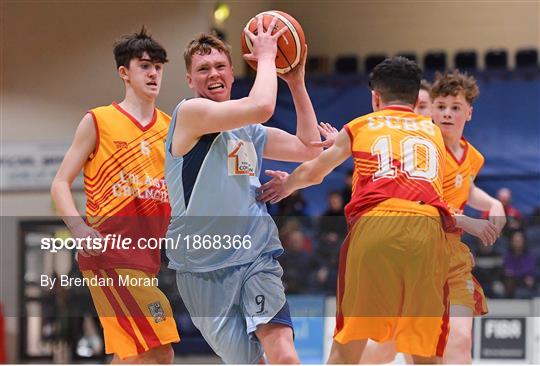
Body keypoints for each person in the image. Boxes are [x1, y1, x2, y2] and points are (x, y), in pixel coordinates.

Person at [258, 56, 453, 363]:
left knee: (348, 346)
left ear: (376, 96)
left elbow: (314, 173)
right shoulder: (435, 133)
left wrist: (288, 184)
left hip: (377, 228)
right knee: (424, 350)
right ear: (417, 100)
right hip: (427, 231)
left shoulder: (361, 126)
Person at [164, 17, 322, 364]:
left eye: (220, 66)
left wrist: (296, 82)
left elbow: (309, 148)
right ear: (190, 79)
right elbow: (262, 105)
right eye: (203, 69)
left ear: (233, 73)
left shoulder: (250, 131)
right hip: (203, 269)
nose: (214, 74)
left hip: (255, 257)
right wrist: (267, 56)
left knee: (284, 355)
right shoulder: (190, 113)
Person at [51, 28, 179, 363]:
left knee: (134, 353)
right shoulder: (99, 121)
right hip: (109, 254)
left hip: (146, 258)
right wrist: (78, 229)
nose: (153, 73)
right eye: (145, 66)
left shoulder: (170, 128)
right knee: (161, 349)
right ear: (124, 72)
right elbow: (60, 183)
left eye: (159, 67)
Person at [430, 70, 506, 363]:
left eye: (455, 107)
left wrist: (493, 203)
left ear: (469, 113)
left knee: (460, 341)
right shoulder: (424, 150)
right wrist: (466, 221)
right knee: (406, 350)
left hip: (453, 258)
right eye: (441, 106)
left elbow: (468, 187)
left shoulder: (473, 156)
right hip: (417, 254)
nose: (447, 114)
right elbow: (423, 201)